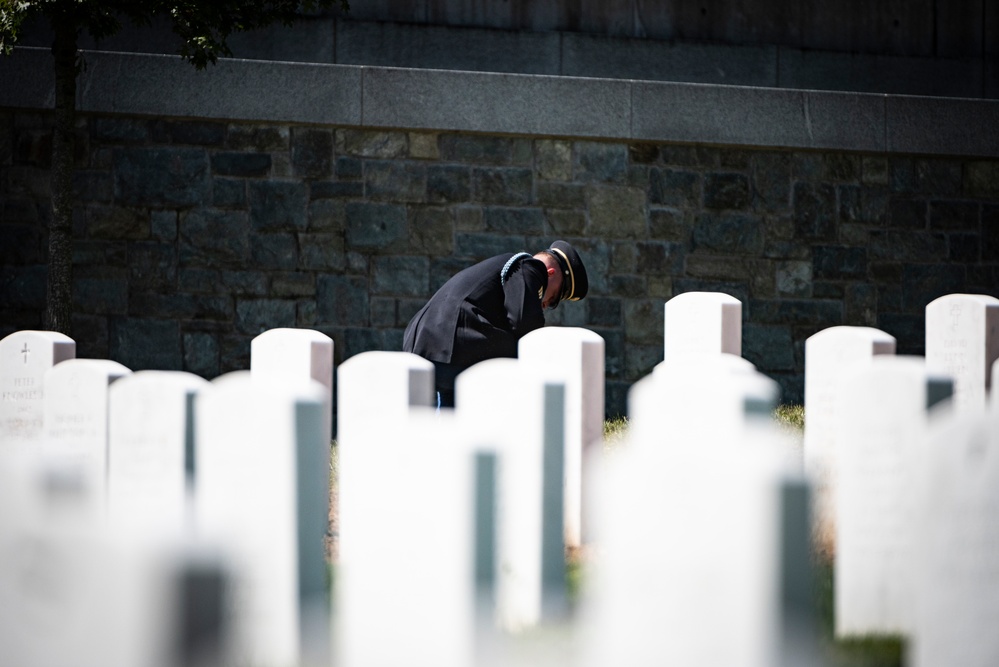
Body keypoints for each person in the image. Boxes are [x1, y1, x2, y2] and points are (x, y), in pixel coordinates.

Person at [403, 240, 589, 408]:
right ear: (551, 273)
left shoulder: (501, 266)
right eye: (555, 298)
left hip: (424, 344)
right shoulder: (530, 266)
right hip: (455, 345)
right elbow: (525, 323)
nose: (547, 304)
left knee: (448, 425)